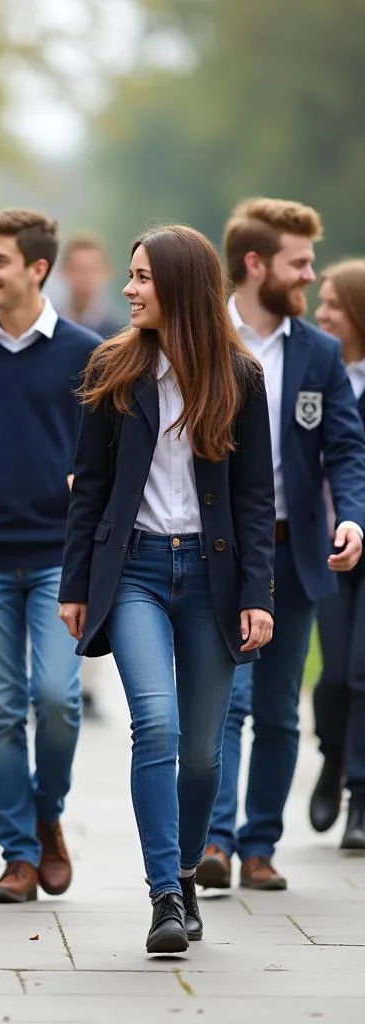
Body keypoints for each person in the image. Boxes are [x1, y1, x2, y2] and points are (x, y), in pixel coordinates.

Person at [59, 224, 276, 954]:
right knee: (156, 725)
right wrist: (76, 585)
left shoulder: (239, 379)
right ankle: (161, 896)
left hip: (211, 577)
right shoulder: (114, 368)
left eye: (143, 277)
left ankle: (184, 874)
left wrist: (258, 594)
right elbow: (88, 489)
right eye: (129, 274)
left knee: (206, 753)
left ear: (180, 286)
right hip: (138, 575)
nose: (129, 288)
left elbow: (253, 499)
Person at [199, 199, 365, 893]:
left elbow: (346, 449)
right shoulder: (205, 338)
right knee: (226, 702)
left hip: (296, 553)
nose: (309, 275)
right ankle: (215, 840)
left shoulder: (318, 353)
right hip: (220, 551)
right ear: (255, 263)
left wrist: (353, 517)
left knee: (275, 707)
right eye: (299, 263)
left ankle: (261, 844)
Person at [0, 208, 98, 904]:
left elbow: (108, 454)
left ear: (37, 268)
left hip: (58, 561)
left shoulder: (86, 353)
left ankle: (47, 815)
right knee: (3, 710)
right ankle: (17, 854)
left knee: (58, 701)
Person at [308, 259, 365, 850]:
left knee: (361, 671)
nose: (321, 313)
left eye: (333, 303)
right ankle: (332, 756)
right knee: (331, 681)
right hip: (327, 545)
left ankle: (361, 795)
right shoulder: (320, 370)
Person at [59, 234, 125, 721]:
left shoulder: (116, 331)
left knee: (97, 565)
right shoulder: (55, 330)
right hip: (58, 463)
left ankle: (84, 681)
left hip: (97, 469)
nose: (84, 278)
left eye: (92, 269)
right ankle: (58, 676)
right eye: (76, 268)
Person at [59, 234, 125, 340]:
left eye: (93, 270)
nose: (86, 277)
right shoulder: (49, 325)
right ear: (63, 271)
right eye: (79, 269)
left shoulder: (120, 332)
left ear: (107, 272)